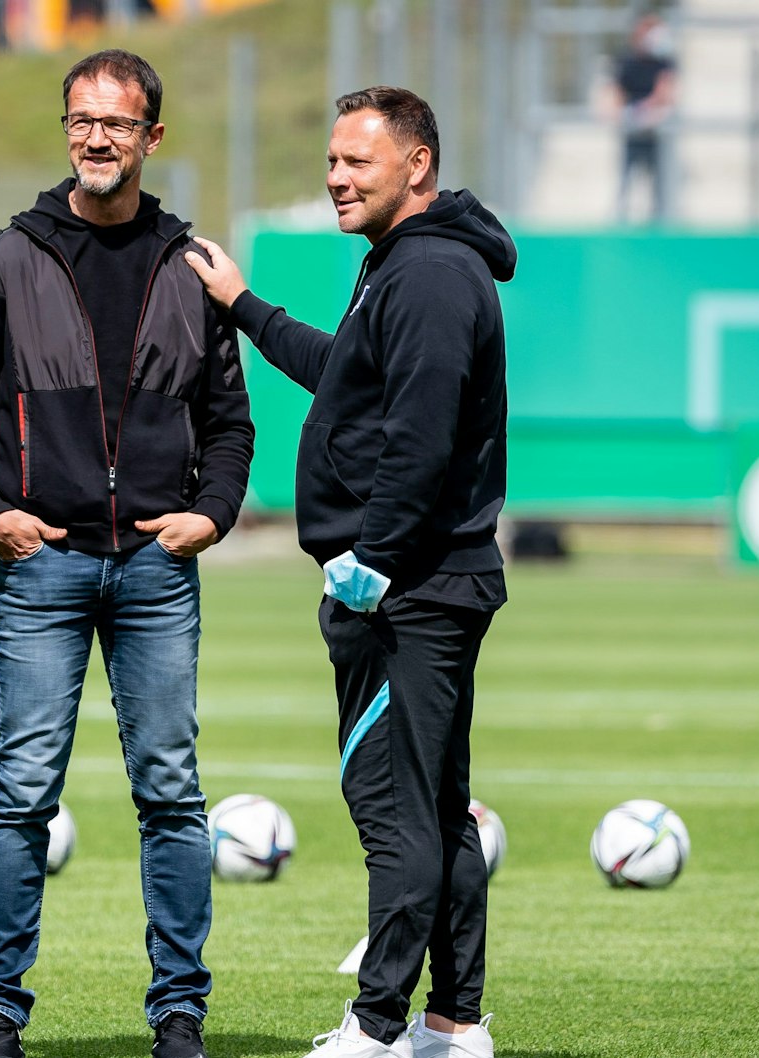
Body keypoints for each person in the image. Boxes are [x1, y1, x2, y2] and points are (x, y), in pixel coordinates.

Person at [0, 47, 253, 1058]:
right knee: (22, 789)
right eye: (80, 120)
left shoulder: (193, 269)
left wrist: (215, 512)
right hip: (42, 567)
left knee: (170, 790)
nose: (96, 137)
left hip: (156, 566)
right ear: (65, 130)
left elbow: (231, 424)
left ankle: (179, 1013)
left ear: (152, 136)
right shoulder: (2, 264)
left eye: (116, 122)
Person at [184, 86, 514, 1058]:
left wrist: (370, 560)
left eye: (354, 161)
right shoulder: (407, 265)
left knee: (392, 808)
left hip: (409, 587)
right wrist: (245, 307)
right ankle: (452, 1024)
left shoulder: (428, 275)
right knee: (435, 806)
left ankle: (373, 1027)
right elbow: (349, 376)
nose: (333, 176)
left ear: (415, 165)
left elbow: (418, 432)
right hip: (425, 579)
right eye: (329, 160)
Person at [610, 13, 675, 224]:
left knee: (660, 182)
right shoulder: (628, 60)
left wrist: (647, 109)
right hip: (633, 130)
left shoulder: (665, 62)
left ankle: (660, 221)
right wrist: (630, 113)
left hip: (656, 131)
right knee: (626, 179)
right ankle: (622, 219)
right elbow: (616, 91)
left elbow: (667, 92)